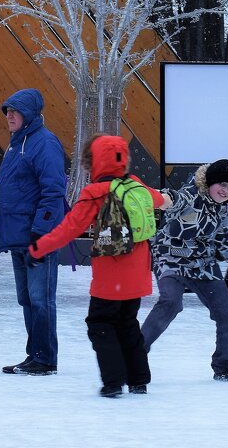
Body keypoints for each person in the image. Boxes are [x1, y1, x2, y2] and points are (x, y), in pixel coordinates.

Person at [29, 134, 169, 397]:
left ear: (93, 162)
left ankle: (113, 382)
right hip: (138, 275)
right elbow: (159, 200)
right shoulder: (136, 185)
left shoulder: (95, 192)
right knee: (127, 323)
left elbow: (69, 229)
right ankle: (138, 379)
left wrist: (38, 248)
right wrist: (167, 199)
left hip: (109, 277)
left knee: (100, 324)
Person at [140, 158, 228, 383]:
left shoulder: (223, 209)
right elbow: (169, 199)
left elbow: (224, 236)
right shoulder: (189, 196)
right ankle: (135, 354)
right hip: (171, 258)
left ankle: (224, 367)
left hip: (202, 263)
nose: (225, 191)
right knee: (171, 302)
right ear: (210, 183)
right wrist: (151, 197)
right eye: (222, 185)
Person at [0, 88, 67, 376]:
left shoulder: (44, 143)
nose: (9, 115)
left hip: (37, 236)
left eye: (15, 110)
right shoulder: (18, 143)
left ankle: (45, 358)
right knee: (27, 298)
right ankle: (34, 354)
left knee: (40, 297)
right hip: (18, 235)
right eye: (7, 111)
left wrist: (41, 231)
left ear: (30, 114)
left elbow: (53, 190)